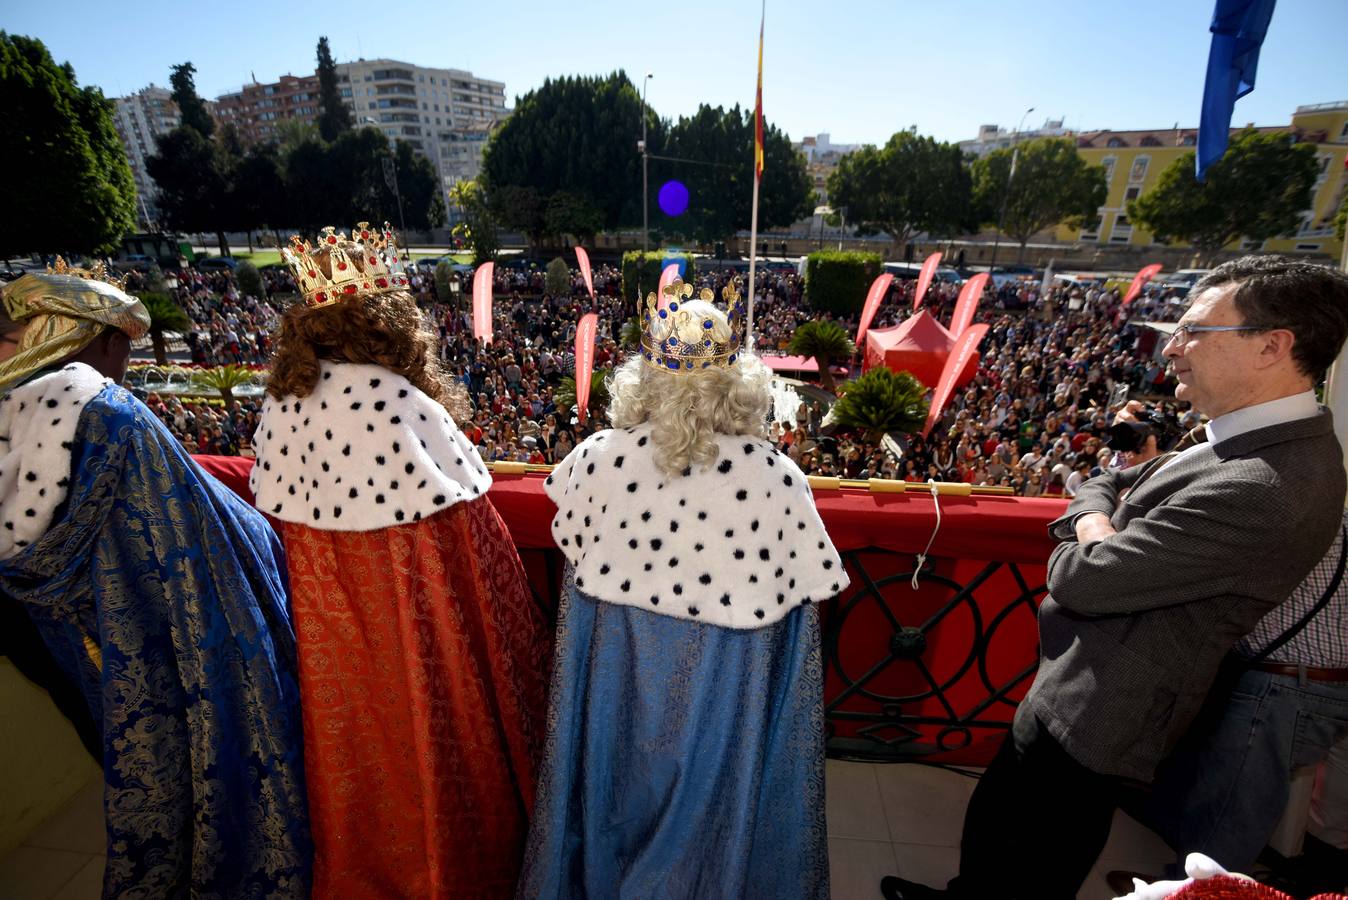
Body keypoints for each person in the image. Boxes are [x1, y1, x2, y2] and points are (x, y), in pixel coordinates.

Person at [883, 255, 1348, 900]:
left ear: (1273, 347)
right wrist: (1100, 519)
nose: (1173, 348)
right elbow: (1106, 481)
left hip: (1109, 711)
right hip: (1083, 686)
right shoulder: (1239, 440)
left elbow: (1084, 578)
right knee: (998, 829)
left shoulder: (1267, 483)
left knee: (1031, 862)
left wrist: (1095, 531)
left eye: (1194, 331)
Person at [518, 280, 849, 899]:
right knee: (713, 812)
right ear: (737, 382)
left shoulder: (596, 460)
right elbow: (793, 650)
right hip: (723, 697)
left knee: (612, 800)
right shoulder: (778, 481)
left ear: (647, 377)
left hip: (618, 691)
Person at [252, 224, 550, 898]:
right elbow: (481, 557)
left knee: (356, 750)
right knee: (438, 746)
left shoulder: (281, 406)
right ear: (390, 326)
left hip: (334, 640)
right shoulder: (399, 405)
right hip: (421, 631)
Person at [0, 260, 311, 897]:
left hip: (71, 638)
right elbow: (193, 522)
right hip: (163, 637)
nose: (126, 364)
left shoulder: (11, 406)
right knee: (203, 767)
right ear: (104, 337)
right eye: (125, 348)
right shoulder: (112, 416)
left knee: (133, 765)